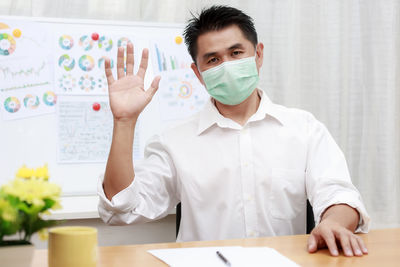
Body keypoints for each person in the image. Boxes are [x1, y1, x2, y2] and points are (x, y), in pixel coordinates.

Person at [98, 5, 370, 257]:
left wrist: (333, 223)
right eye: (213, 60)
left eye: (236, 53)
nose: (226, 65)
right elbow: (122, 209)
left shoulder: (303, 129)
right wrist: (124, 122)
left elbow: (339, 195)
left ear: (258, 55)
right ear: (198, 73)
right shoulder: (174, 142)